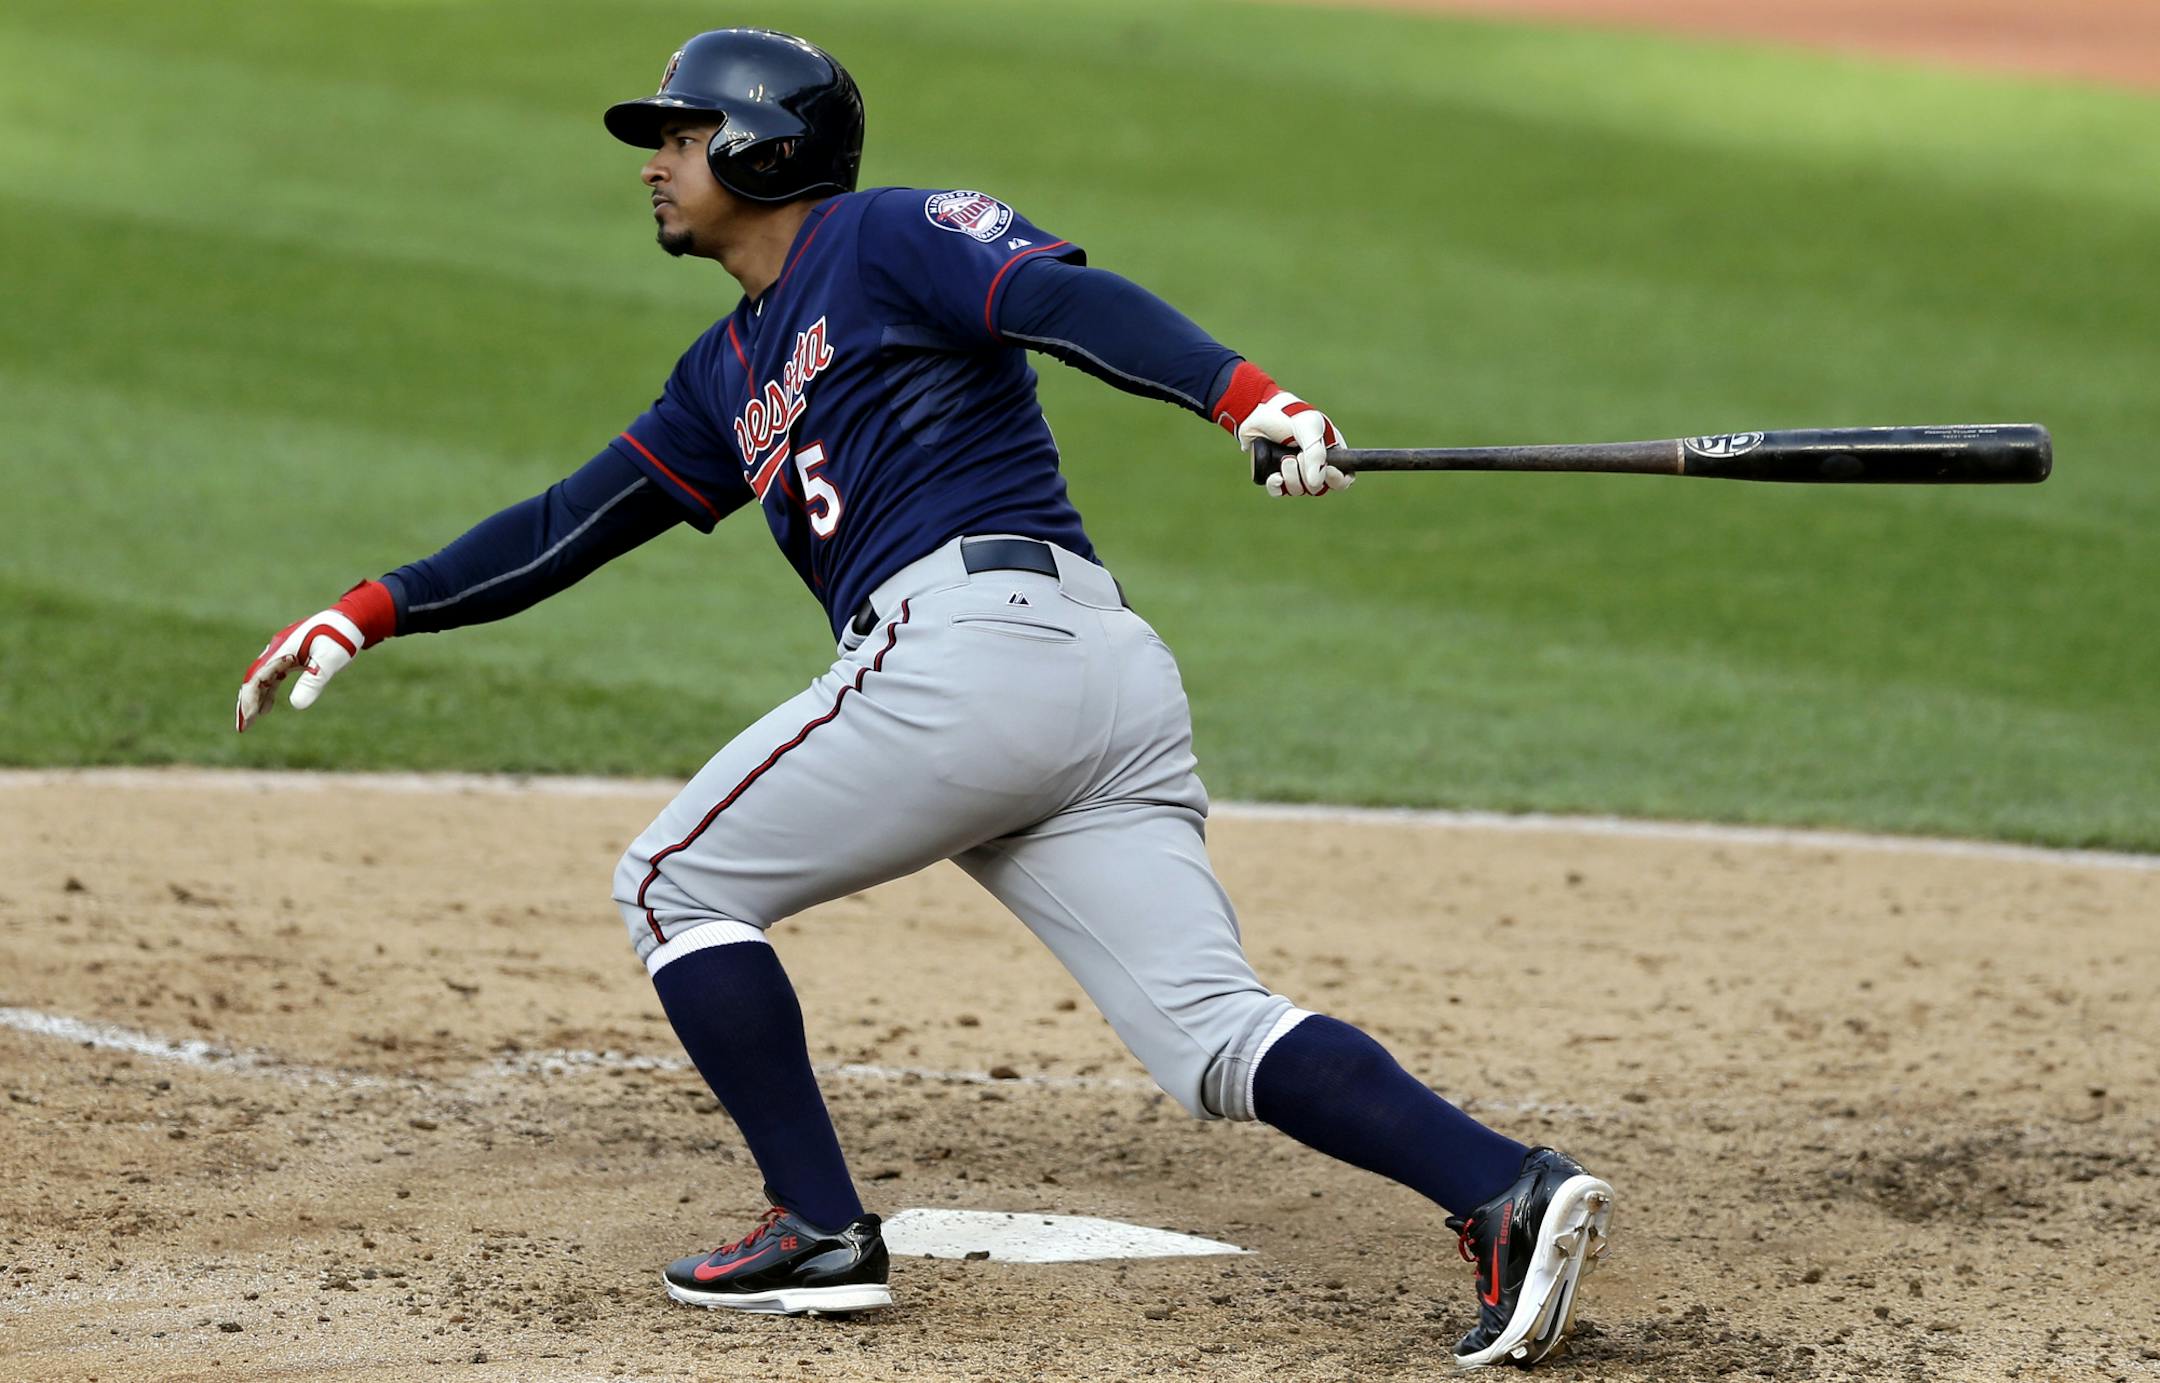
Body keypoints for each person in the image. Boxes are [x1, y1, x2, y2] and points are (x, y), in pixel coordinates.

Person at [232, 28, 1613, 1370]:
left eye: (682, 133)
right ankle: (1504, 1190)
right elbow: (567, 523)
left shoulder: (886, 237)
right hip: (1086, 681)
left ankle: (818, 1229)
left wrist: (1249, 398)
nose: (655, 161)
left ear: (764, 144)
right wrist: (371, 609)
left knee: (673, 885)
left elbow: (1070, 305)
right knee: (1209, 1036)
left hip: (981, 653)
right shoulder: (725, 374)